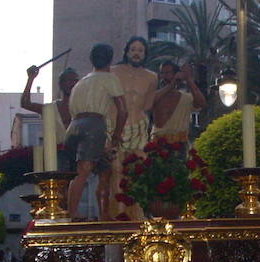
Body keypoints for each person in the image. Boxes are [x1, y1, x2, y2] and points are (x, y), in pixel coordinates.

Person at [66, 43, 128, 220]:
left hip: (74, 125)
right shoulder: (109, 78)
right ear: (110, 60)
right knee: (83, 171)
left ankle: (104, 213)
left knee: (104, 169)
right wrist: (116, 135)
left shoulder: (81, 82)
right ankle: (73, 213)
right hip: (93, 125)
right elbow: (123, 111)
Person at [108, 37, 158, 220]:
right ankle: (118, 213)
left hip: (139, 128)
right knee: (117, 170)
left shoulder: (151, 77)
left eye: (141, 50)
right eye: (133, 49)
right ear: (127, 52)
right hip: (118, 127)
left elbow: (148, 105)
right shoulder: (113, 72)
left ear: (145, 54)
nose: (137, 53)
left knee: (139, 170)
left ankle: (138, 214)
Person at [151, 62, 206, 145]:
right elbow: (149, 102)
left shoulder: (186, 98)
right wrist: (172, 84)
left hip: (180, 143)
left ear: (175, 74)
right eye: (162, 73)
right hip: (158, 142)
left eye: (168, 73)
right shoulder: (155, 95)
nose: (164, 76)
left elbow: (202, 103)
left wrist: (188, 79)